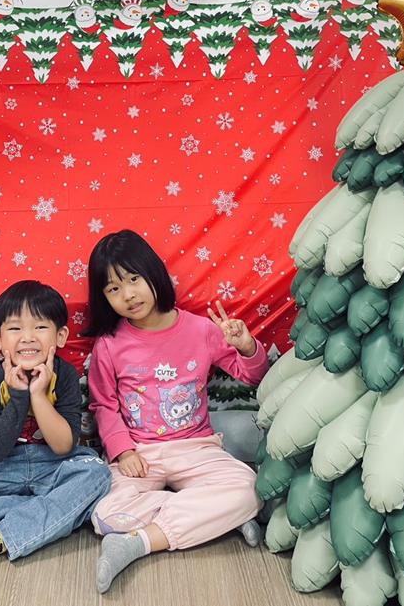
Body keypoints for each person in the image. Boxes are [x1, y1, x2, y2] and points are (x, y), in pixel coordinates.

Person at [84, 230, 269, 593]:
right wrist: (123, 450)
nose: (128, 295)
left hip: (196, 449)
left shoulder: (201, 330)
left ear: (153, 273)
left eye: (133, 279)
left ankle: (138, 543)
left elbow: (253, 376)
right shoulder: (109, 344)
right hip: (139, 455)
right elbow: (103, 404)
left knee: (250, 488)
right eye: (113, 289)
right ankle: (216, 517)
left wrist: (247, 346)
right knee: (103, 514)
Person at [0, 280, 110, 569]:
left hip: (54, 465)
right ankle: (60, 512)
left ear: (60, 336)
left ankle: (1, 537)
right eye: (15, 328)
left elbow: (63, 446)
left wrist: (38, 396)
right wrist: (19, 396)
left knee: (97, 473)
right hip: (3, 467)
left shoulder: (65, 375)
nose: (28, 338)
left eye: (40, 327)